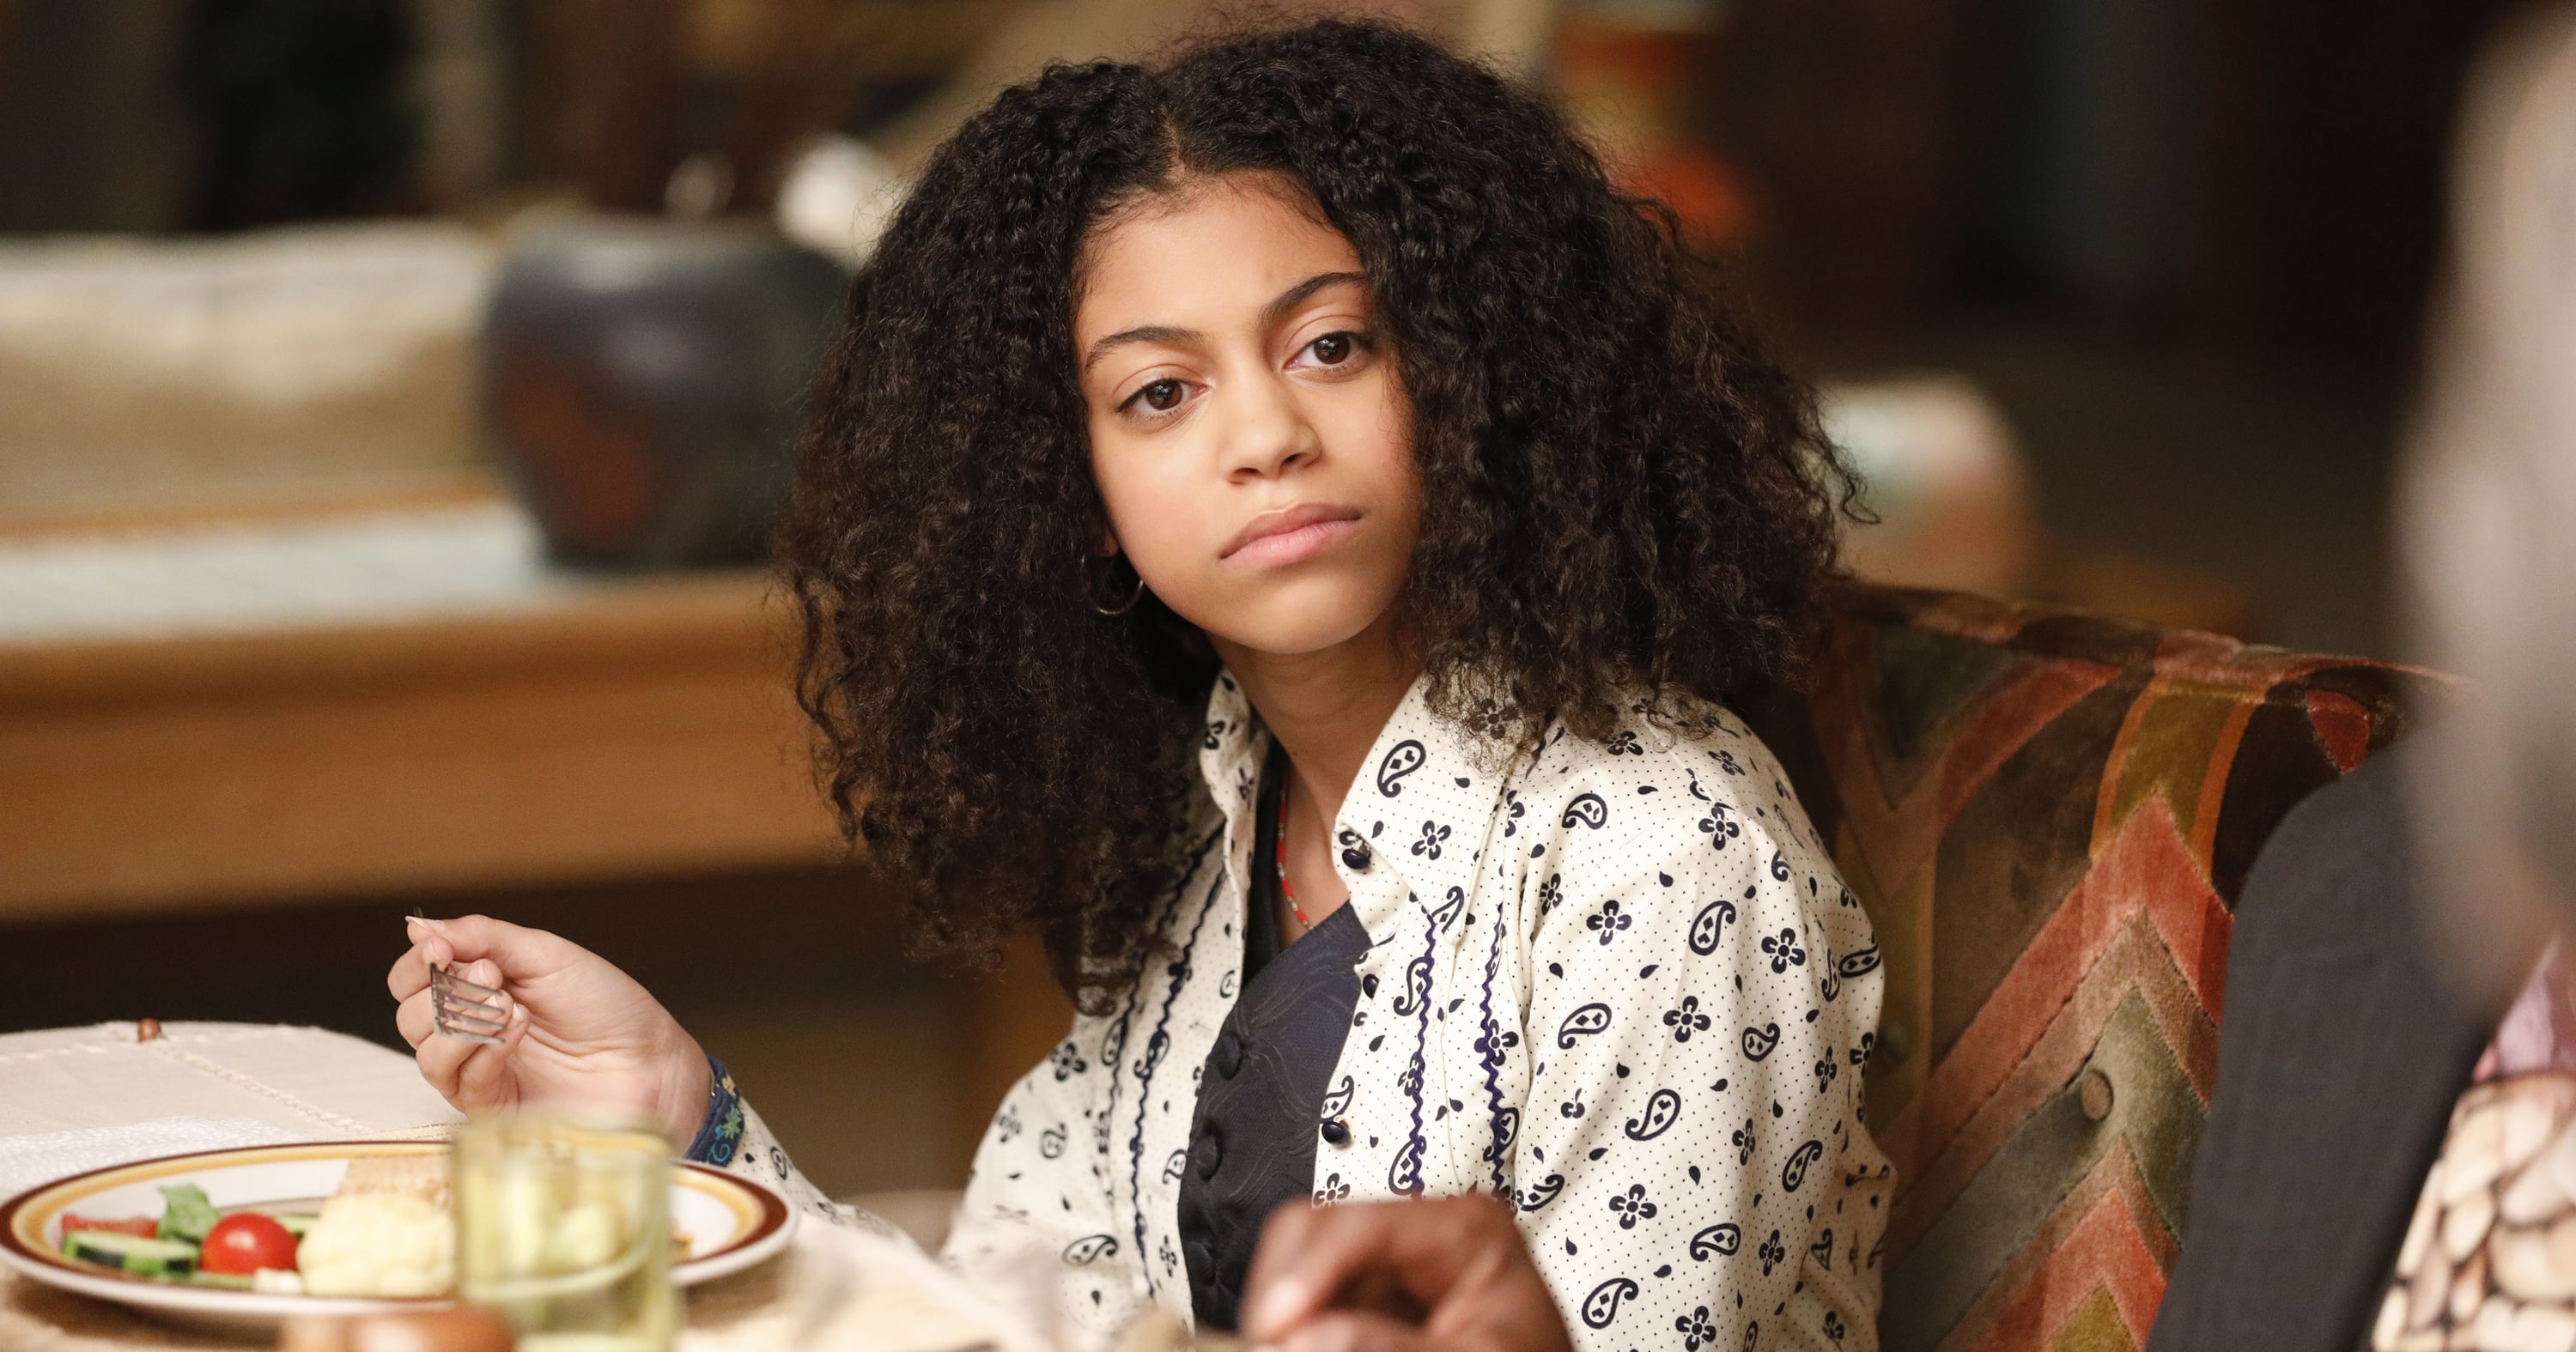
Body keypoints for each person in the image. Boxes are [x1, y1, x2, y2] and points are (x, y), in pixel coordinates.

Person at [389, 19, 1889, 1351]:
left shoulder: (1664, 846)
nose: (1267, 435)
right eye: (1160, 392)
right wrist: (675, 1121)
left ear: (1469, 370)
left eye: (1332, 344)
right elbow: (1006, 1324)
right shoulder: (1212, 833)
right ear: (1075, 491)